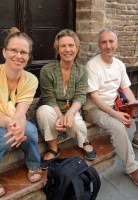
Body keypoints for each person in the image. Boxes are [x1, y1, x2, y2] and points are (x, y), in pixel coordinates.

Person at [82, 28, 138, 189]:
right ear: (99, 45)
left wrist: (134, 105)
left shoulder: (119, 64)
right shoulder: (92, 65)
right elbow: (94, 97)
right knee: (118, 127)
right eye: (104, 42)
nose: (108, 45)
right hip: (93, 108)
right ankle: (132, 167)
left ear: (116, 44)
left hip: (113, 104)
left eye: (111, 41)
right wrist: (116, 114)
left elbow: (126, 89)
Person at [0, 27, 42, 199]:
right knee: (3, 137)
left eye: (24, 52)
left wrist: (18, 126)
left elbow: (21, 110)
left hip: (10, 119)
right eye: (14, 50)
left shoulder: (31, 79)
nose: (19, 56)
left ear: (28, 56)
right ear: (4, 52)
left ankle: (34, 164)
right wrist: (14, 129)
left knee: (31, 132)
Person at [36, 29, 97, 169]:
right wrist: (59, 116)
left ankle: (84, 142)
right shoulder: (47, 70)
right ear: (57, 49)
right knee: (44, 112)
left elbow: (81, 95)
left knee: (78, 125)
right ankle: (53, 148)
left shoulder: (82, 71)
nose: (67, 49)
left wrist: (70, 113)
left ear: (77, 48)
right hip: (52, 108)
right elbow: (49, 98)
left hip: (71, 108)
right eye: (63, 46)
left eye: (71, 45)